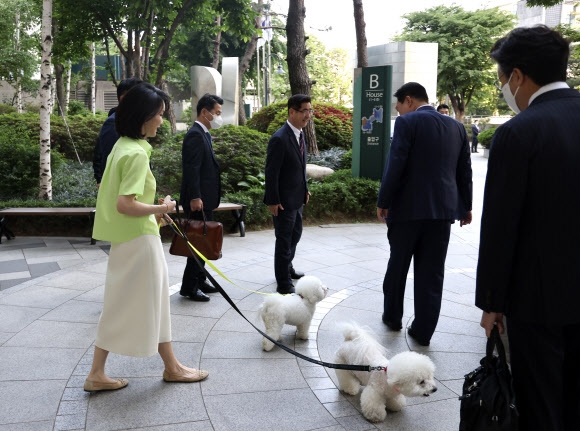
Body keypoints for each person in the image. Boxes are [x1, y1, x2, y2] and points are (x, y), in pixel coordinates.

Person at [476, 25, 580, 431]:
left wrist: (492, 302)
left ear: (517, 76)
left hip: (538, 301)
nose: (505, 88)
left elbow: (501, 229)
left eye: (503, 80)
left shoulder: (518, 133)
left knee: (541, 403)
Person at [85, 83, 208, 392]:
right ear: (144, 116)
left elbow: (120, 200)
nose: (162, 121)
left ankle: (161, 367)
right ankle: (171, 368)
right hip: (140, 243)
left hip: (129, 239)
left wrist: (155, 212)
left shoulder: (122, 146)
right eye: (160, 115)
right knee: (145, 304)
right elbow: (125, 203)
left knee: (125, 304)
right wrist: (163, 207)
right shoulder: (136, 154)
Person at [377, 82, 472, 346]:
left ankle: (393, 317)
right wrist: (466, 206)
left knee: (397, 265)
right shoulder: (456, 127)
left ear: (408, 100)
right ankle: (423, 330)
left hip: (407, 211)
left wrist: (383, 200)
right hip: (442, 214)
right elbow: (464, 170)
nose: (399, 113)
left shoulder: (407, 124)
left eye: (398, 107)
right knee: (432, 274)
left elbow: (395, 164)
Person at [264, 94, 311, 294]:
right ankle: (283, 282)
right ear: (292, 112)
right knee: (284, 240)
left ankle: (288, 267)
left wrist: (305, 188)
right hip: (283, 201)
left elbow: (300, 167)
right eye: (304, 111)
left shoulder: (300, 134)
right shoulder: (280, 138)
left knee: (295, 235)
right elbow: (271, 173)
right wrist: (273, 200)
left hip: (297, 198)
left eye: (310, 111)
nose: (308, 115)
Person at [179, 93, 223, 302]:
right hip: (198, 201)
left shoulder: (204, 133)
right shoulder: (195, 135)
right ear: (205, 112)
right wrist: (195, 196)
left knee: (205, 241)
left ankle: (200, 278)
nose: (218, 117)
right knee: (198, 243)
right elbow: (191, 169)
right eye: (217, 113)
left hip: (206, 198)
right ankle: (189, 286)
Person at [93, 77, 143, 186]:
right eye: (140, 97)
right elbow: (109, 161)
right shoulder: (113, 123)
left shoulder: (132, 123)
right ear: (123, 98)